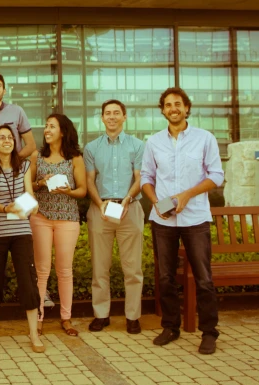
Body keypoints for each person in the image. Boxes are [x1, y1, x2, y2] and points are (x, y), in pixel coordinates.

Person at [141, 87, 223, 355]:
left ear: (187, 108)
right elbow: (146, 178)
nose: (173, 108)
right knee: (165, 277)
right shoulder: (153, 142)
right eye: (167, 105)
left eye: (178, 104)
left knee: (203, 278)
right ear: (162, 110)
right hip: (163, 219)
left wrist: (188, 194)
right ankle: (171, 326)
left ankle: (209, 332)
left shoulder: (205, 138)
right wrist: (155, 202)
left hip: (196, 217)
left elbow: (216, 176)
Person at [84, 100, 145, 334]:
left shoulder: (137, 145)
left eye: (116, 113)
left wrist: (129, 197)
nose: (112, 117)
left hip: (130, 208)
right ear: (102, 118)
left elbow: (140, 178)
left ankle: (132, 316)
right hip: (101, 210)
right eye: (107, 113)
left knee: (133, 269)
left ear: (124, 117)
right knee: (100, 268)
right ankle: (101, 314)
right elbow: (90, 180)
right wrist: (100, 204)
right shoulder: (91, 148)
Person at [0, 124, 44, 352]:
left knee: (28, 280)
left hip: (21, 230)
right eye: (2, 138)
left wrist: (32, 206)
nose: (7, 141)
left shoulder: (25, 165)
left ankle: (33, 332)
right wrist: (7, 208)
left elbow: (29, 194)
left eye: (10, 137)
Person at [30, 113, 87, 337]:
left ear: (62, 131)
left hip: (67, 219)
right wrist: (41, 183)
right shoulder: (38, 156)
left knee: (64, 271)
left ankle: (66, 318)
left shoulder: (75, 159)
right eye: (46, 126)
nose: (47, 130)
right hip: (41, 217)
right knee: (41, 271)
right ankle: (39, 318)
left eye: (52, 126)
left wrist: (68, 191)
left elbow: (82, 190)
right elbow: (30, 186)